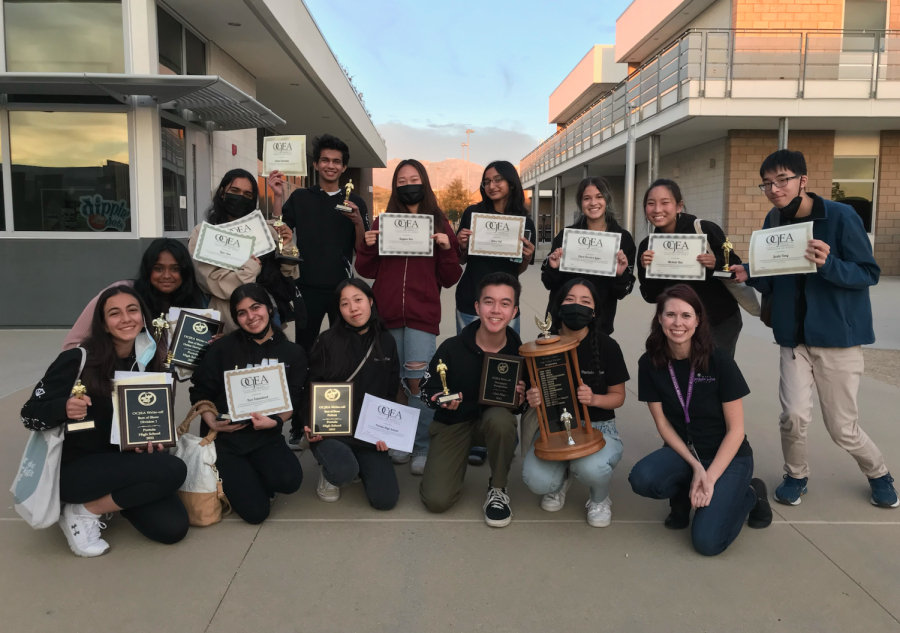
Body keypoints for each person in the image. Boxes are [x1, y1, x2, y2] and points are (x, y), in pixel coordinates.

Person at [732, 149, 897, 508]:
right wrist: (750, 270)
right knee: (792, 416)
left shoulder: (840, 216)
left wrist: (829, 263)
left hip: (837, 339)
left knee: (842, 427)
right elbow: (774, 277)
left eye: (783, 180)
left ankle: (879, 472)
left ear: (803, 180)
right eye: (768, 183)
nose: (775, 189)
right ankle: (796, 474)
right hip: (793, 339)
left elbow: (868, 273)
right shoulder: (773, 221)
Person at [21, 286, 188, 556]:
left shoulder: (150, 360)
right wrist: (63, 407)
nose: (126, 318)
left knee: (172, 528)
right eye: (115, 313)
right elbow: (29, 414)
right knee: (173, 469)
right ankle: (81, 511)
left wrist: (149, 440)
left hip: (124, 462)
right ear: (103, 324)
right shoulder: (78, 359)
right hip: (77, 469)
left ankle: (100, 504)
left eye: (132, 310)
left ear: (143, 316)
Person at [628, 285, 772, 556]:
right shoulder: (649, 363)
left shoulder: (719, 361)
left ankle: (752, 493)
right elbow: (663, 424)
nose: (678, 323)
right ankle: (684, 493)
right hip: (684, 452)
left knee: (707, 543)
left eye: (686, 315)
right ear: (659, 319)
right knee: (643, 479)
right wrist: (696, 467)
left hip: (727, 456)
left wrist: (709, 475)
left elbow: (736, 430)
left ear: (698, 320)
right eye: (670, 314)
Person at [355, 159, 462, 474]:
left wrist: (446, 247)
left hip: (421, 316)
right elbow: (365, 270)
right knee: (395, 385)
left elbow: (451, 275)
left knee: (417, 383)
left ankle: (422, 447)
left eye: (414, 179)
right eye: (401, 180)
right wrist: (368, 246)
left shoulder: (439, 223)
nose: (408, 184)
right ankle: (399, 441)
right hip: (386, 316)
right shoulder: (383, 222)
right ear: (395, 187)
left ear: (424, 183)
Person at [419, 272, 528, 528]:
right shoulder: (451, 347)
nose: (496, 310)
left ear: (514, 311)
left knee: (502, 420)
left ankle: (498, 488)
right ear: (477, 306)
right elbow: (426, 389)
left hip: (492, 424)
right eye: (489, 302)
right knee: (436, 501)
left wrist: (522, 398)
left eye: (505, 303)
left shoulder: (521, 354)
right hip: (453, 424)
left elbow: (521, 405)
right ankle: (453, 466)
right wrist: (439, 400)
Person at [189, 284, 305, 524]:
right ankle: (237, 477)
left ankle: (254, 475)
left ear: (268, 308)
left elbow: (292, 400)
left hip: (264, 435)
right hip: (226, 438)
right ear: (236, 318)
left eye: (256, 307)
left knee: (289, 480)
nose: (251, 317)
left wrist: (275, 421)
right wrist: (211, 420)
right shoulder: (222, 348)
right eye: (242, 313)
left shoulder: (292, 353)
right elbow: (200, 390)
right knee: (256, 514)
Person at [522, 278, 629, 527]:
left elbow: (619, 396)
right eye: (570, 299)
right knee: (537, 481)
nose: (576, 306)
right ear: (558, 306)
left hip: (598, 428)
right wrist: (532, 397)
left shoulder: (608, 346)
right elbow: (531, 388)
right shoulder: (543, 345)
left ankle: (600, 498)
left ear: (594, 311)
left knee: (590, 468)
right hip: (554, 428)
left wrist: (594, 398)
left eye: (585, 301)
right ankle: (561, 478)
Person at [455, 160, 536, 466]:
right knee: (470, 365)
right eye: (487, 181)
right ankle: (475, 435)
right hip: (471, 300)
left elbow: (519, 268)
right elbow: (463, 259)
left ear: (512, 183)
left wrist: (527, 257)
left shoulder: (523, 221)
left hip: (503, 304)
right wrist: (461, 244)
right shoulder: (472, 213)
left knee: (502, 368)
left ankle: (500, 432)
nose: (492, 185)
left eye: (499, 179)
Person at [300, 279, 401, 509]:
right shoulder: (327, 340)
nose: (353, 308)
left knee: (385, 500)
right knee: (343, 472)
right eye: (345, 304)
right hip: (331, 430)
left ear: (371, 301)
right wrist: (309, 422)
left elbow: (389, 393)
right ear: (339, 309)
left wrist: (388, 431)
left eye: (358, 300)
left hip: (368, 433)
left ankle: (357, 463)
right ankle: (331, 471)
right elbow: (310, 386)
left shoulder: (386, 341)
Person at [267, 134, 370, 353]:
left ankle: (341, 387)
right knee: (304, 346)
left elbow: (362, 248)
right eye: (325, 160)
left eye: (336, 161)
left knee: (344, 347)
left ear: (344, 167)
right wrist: (277, 197)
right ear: (316, 164)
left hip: (342, 288)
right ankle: (304, 387)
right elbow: (279, 232)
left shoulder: (355, 202)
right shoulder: (301, 197)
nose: (330, 166)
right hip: (305, 286)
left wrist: (359, 221)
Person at [637, 179, 744, 357]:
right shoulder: (647, 246)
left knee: (714, 374)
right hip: (678, 325)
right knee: (684, 377)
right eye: (650, 204)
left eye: (665, 202)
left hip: (718, 322)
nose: (657, 209)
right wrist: (646, 269)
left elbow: (735, 268)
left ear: (679, 206)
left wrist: (715, 263)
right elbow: (650, 296)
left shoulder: (704, 230)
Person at [189, 169, 298, 333]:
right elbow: (211, 281)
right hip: (231, 322)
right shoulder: (204, 233)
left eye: (247, 194)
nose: (240, 197)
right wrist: (250, 270)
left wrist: (287, 246)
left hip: (270, 315)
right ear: (222, 192)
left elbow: (290, 273)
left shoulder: (263, 230)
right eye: (235, 191)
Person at [63, 238, 205, 350]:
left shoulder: (194, 301)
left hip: (160, 383)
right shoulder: (121, 293)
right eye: (158, 268)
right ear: (147, 269)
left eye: (175, 269)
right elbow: (72, 345)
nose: (167, 275)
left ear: (185, 272)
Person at [541, 177, 635, 335]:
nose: (593, 203)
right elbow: (549, 283)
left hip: (599, 324)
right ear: (580, 202)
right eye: (587, 198)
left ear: (607, 199)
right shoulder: (566, 236)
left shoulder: (623, 239)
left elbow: (622, 292)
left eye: (599, 196)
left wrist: (619, 274)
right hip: (561, 321)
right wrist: (553, 268)